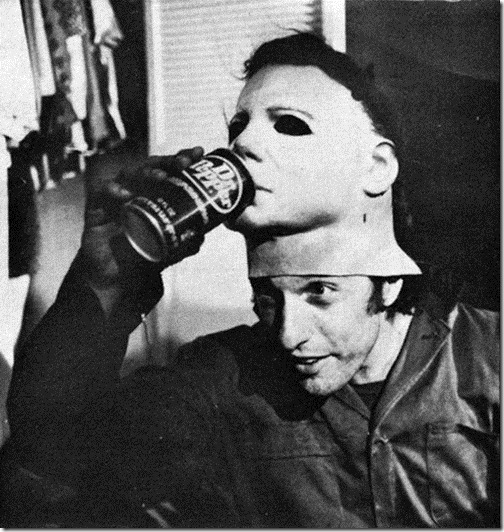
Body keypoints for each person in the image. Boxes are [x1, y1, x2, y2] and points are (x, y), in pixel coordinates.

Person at [0, 32, 499, 528]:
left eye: (320, 293)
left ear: (388, 284)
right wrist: (104, 281)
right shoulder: (224, 382)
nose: (288, 334)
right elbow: (48, 458)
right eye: (266, 298)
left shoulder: (488, 359)